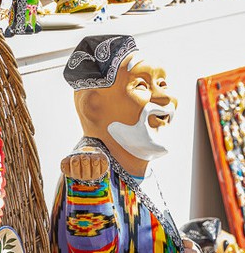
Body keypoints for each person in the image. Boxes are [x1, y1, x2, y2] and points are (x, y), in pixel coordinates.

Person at [51, 35, 197, 253]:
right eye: (142, 85)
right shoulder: (89, 171)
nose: (165, 97)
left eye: (162, 83)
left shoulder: (128, 162)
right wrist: (89, 187)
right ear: (93, 106)